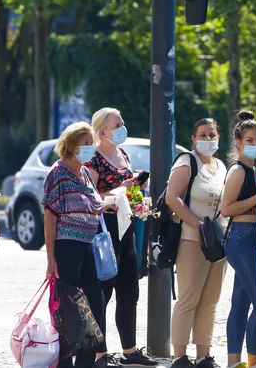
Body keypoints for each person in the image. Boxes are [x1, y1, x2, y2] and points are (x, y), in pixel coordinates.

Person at [85, 108, 157, 367]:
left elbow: (127, 190)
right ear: (103, 131)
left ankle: (130, 350)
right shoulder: (93, 160)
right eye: (117, 125)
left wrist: (137, 187)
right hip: (104, 230)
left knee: (129, 290)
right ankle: (99, 353)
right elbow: (91, 200)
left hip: (126, 228)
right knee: (102, 293)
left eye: (122, 123)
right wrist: (120, 190)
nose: (122, 128)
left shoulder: (122, 154)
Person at [43, 122, 117, 368]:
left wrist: (108, 203)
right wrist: (50, 258)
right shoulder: (58, 172)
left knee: (95, 304)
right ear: (71, 145)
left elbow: (92, 204)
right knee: (66, 307)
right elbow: (50, 217)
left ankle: (85, 363)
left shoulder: (84, 172)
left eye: (90, 142)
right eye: (85, 143)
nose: (90, 147)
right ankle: (64, 362)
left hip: (88, 246)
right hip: (67, 247)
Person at [166, 118, 228, 368]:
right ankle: (180, 356)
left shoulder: (222, 166)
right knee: (188, 298)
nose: (208, 139)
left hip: (218, 240)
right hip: (191, 239)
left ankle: (204, 356)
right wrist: (196, 223)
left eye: (212, 134)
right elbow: (172, 198)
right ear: (193, 139)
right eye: (202, 134)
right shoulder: (186, 162)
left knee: (210, 300)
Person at [221, 111, 256, 368]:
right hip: (241, 239)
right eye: (250, 140)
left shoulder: (255, 171)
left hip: (255, 239)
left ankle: (235, 362)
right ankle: (254, 361)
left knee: (241, 304)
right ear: (239, 143)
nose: (255, 145)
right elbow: (226, 209)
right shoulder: (239, 171)